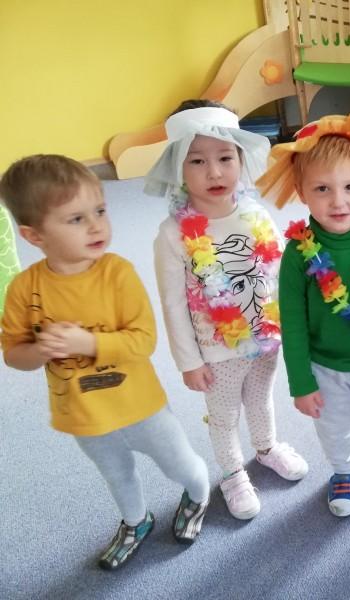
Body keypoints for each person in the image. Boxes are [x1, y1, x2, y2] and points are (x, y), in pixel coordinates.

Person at [0, 155, 211, 570]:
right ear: (34, 235)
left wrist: (87, 342)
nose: (97, 226)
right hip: (81, 412)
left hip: (141, 406)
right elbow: (13, 354)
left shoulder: (118, 273)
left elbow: (143, 341)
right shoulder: (25, 289)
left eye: (100, 210)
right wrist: (41, 350)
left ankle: (199, 496)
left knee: (181, 465)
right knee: (117, 474)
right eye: (76, 219)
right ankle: (136, 521)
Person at [147, 100, 308, 521]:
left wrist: (293, 327)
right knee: (223, 415)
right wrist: (188, 361)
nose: (214, 172)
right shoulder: (172, 235)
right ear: (178, 169)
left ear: (240, 159)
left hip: (266, 336)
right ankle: (233, 473)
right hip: (216, 351)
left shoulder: (256, 215)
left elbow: (279, 274)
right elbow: (172, 303)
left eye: (224, 158)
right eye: (197, 161)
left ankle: (267, 447)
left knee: (261, 399)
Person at [256, 111, 350, 517]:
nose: (338, 201)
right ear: (302, 192)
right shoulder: (298, 254)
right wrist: (301, 382)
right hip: (325, 367)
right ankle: (344, 471)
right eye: (322, 188)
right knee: (334, 429)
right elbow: (291, 321)